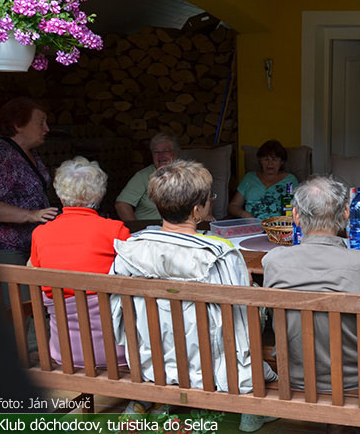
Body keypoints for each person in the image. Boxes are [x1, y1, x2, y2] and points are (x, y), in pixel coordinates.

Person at [110, 160, 276, 432]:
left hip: (152, 365)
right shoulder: (220, 256)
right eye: (210, 198)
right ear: (198, 210)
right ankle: (249, 406)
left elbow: (118, 318)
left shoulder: (129, 250)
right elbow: (240, 325)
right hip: (212, 370)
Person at [262, 175, 360, 393]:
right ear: (346, 213)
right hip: (357, 380)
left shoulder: (273, 262)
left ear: (295, 216)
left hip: (294, 377)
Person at [30, 156, 131, 368]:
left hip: (65, 353)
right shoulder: (115, 231)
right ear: (99, 194)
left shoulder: (41, 233)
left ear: (60, 196)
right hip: (118, 354)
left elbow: (31, 272)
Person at [0, 97, 58, 270]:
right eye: (40, 123)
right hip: (8, 248)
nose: (46, 129)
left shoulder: (31, 153)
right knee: (18, 288)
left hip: (34, 244)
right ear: (18, 125)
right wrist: (31, 215)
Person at [114, 131, 180, 222]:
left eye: (165, 151)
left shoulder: (188, 174)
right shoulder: (143, 176)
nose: (160, 156)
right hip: (149, 228)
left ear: (176, 153)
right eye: (156, 152)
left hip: (181, 228)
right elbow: (121, 205)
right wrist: (137, 227)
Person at [228, 139, 298, 220]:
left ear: (281, 162)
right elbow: (233, 206)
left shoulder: (290, 180)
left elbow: (300, 207)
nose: (270, 164)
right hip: (252, 224)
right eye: (266, 159)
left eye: (274, 159)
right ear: (260, 161)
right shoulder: (249, 178)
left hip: (281, 224)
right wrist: (244, 215)